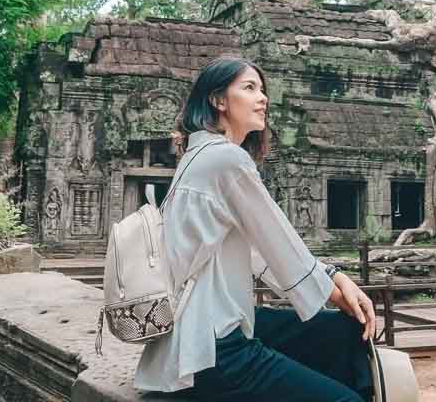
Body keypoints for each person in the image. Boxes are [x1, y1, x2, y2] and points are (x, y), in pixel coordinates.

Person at [134, 56, 380, 401]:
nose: (262, 98)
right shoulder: (226, 160)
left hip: (201, 326)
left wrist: (332, 279)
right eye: (249, 88)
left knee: (340, 332)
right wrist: (337, 286)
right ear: (218, 100)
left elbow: (254, 253)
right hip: (211, 348)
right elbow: (279, 244)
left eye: (262, 89)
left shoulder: (197, 155)